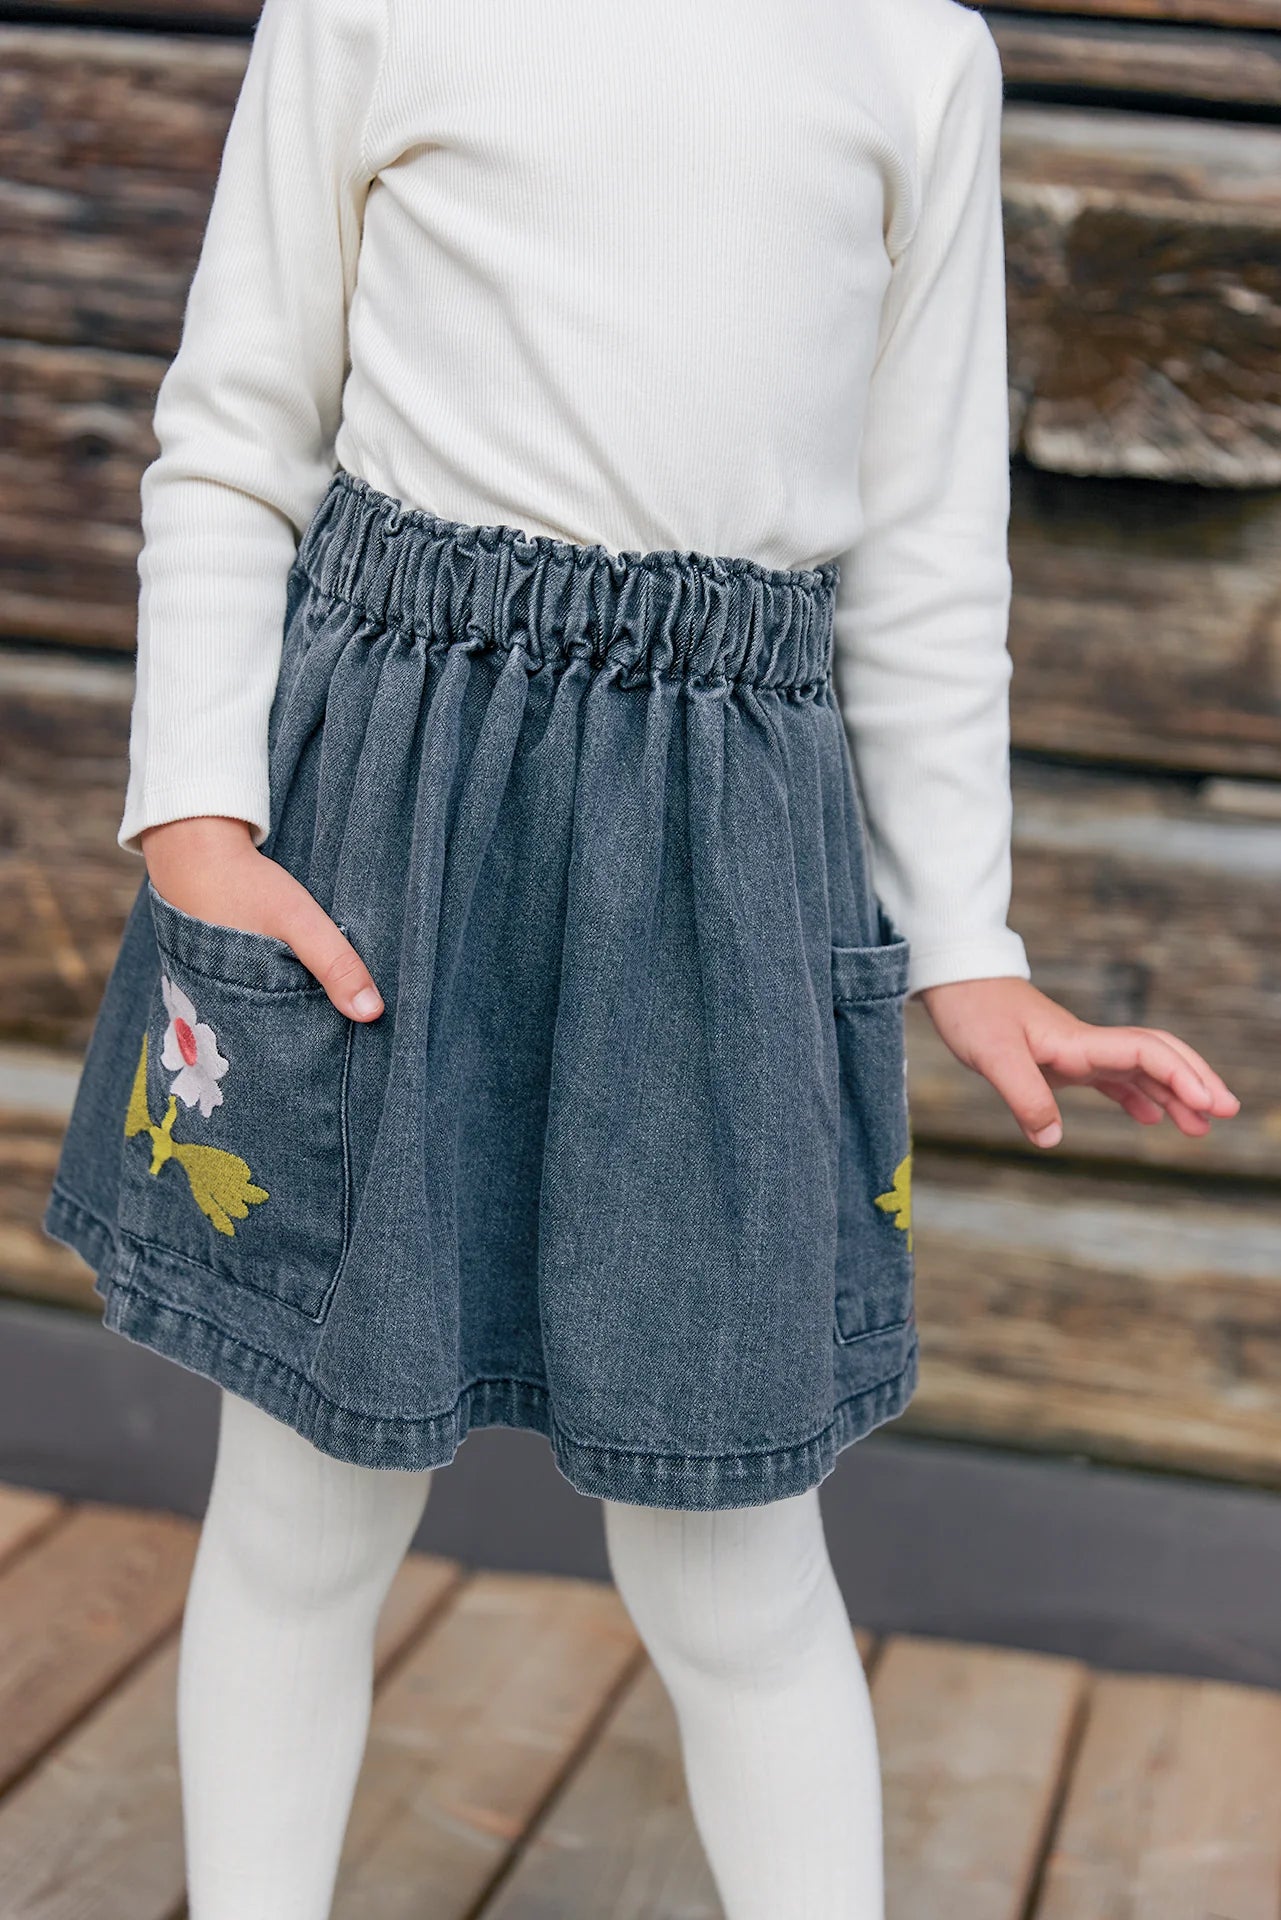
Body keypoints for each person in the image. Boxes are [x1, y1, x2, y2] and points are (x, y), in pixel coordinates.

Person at [42, 0, 1238, 1914]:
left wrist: (969, 945)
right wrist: (197, 819)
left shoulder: (910, 53)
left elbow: (928, 554)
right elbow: (235, 428)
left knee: (734, 1554)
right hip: (392, 822)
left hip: (715, 853)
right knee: (302, 1507)